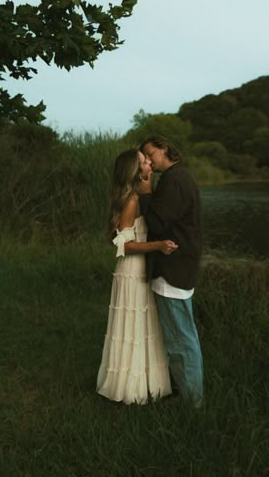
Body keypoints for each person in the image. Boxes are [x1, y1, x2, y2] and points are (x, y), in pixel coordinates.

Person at [96, 148, 178, 405]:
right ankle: (131, 388)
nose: (149, 162)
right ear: (135, 170)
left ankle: (142, 384)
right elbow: (122, 245)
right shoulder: (131, 200)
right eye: (144, 161)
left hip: (136, 270)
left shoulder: (135, 196)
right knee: (133, 326)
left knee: (140, 326)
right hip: (131, 271)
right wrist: (157, 245)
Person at [138, 135, 204, 408]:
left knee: (181, 338)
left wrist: (144, 187)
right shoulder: (182, 176)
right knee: (182, 334)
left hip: (173, 267)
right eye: (144, 156)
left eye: (150, 153)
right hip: (181, 264)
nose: (148, 159)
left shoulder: (173, 180)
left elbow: (155, 222)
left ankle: (191, 402)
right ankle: (188, 393)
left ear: (164, 149)